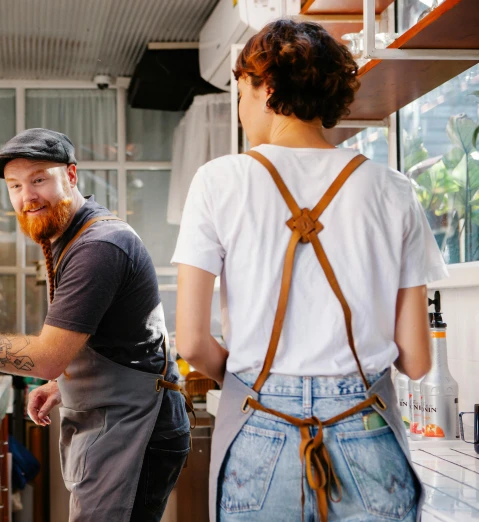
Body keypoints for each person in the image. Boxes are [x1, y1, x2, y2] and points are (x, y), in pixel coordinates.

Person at [172, 19, 447, 522]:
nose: (240, 109)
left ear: (267, 88)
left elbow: (191, 342)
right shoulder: (393, 189)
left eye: (241, 93)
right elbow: (417, 361)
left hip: (259, 426)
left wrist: (249, 384)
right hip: (366, 424)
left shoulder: (218, 181)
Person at [0, 128, 191, 522]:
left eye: (38, 179)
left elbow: (48, 357)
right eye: (15, 185)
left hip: (135, 428)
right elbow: (112, 340)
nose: (26, 197)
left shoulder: (98, 246)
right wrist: (64, 383)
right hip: (117, 419)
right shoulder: (68, 235)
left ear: (71, 175)